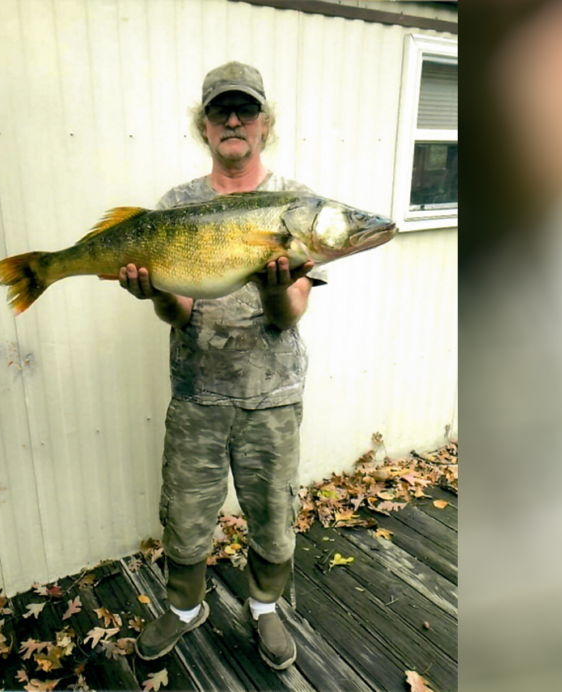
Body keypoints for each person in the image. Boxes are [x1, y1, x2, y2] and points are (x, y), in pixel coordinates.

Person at [121, 61, 328, 671]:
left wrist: (274, 287)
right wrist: (156, 288)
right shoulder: (176, 205)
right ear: (204, 127)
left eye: (245, 110)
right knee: (185, 513)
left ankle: (265, 605)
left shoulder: (297, 207)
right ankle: (187, 609)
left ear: (265, 125)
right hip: (198, 394)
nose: (233, 120)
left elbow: (289, 314)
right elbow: (177, 313)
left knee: (271, 513)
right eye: (220, 111)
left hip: (273, 393)